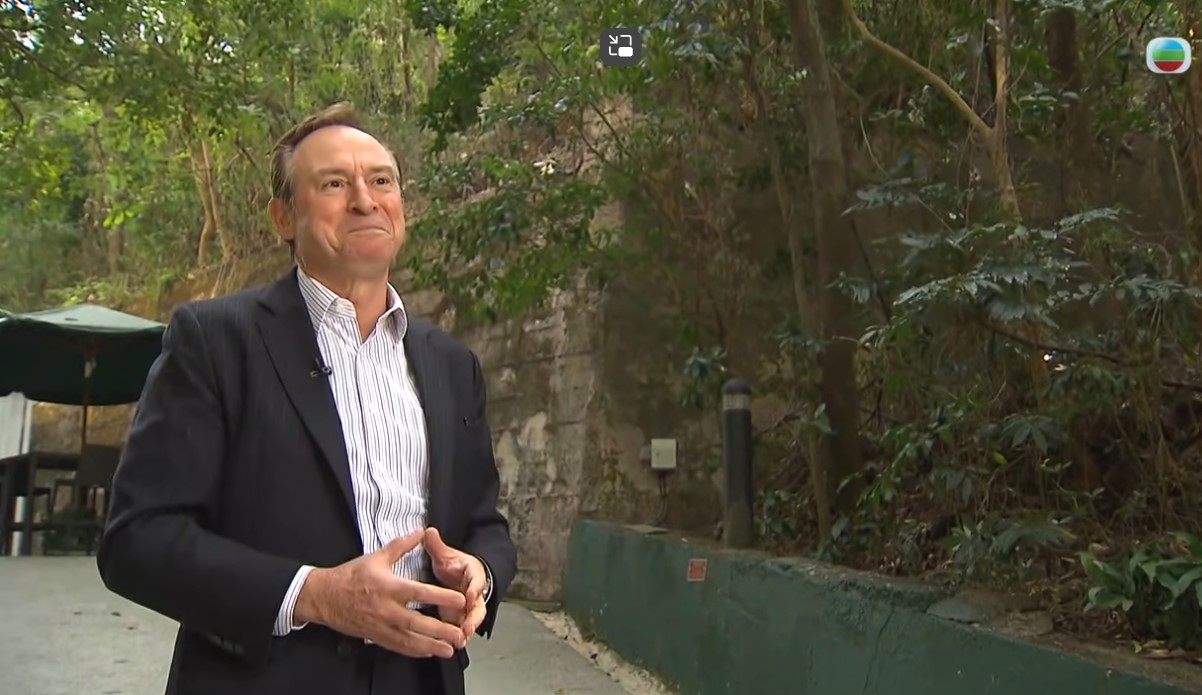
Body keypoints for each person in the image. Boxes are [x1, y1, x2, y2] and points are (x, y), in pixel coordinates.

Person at [97, 103, 517, 695]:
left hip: (424, 679)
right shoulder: (215, 341)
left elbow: (483, 523)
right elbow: (137, 540)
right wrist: (316, 595)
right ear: (284, 218)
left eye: (381, 180)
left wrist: (480, 573)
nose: (365, 201)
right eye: (334, 184)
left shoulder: (452, 364)